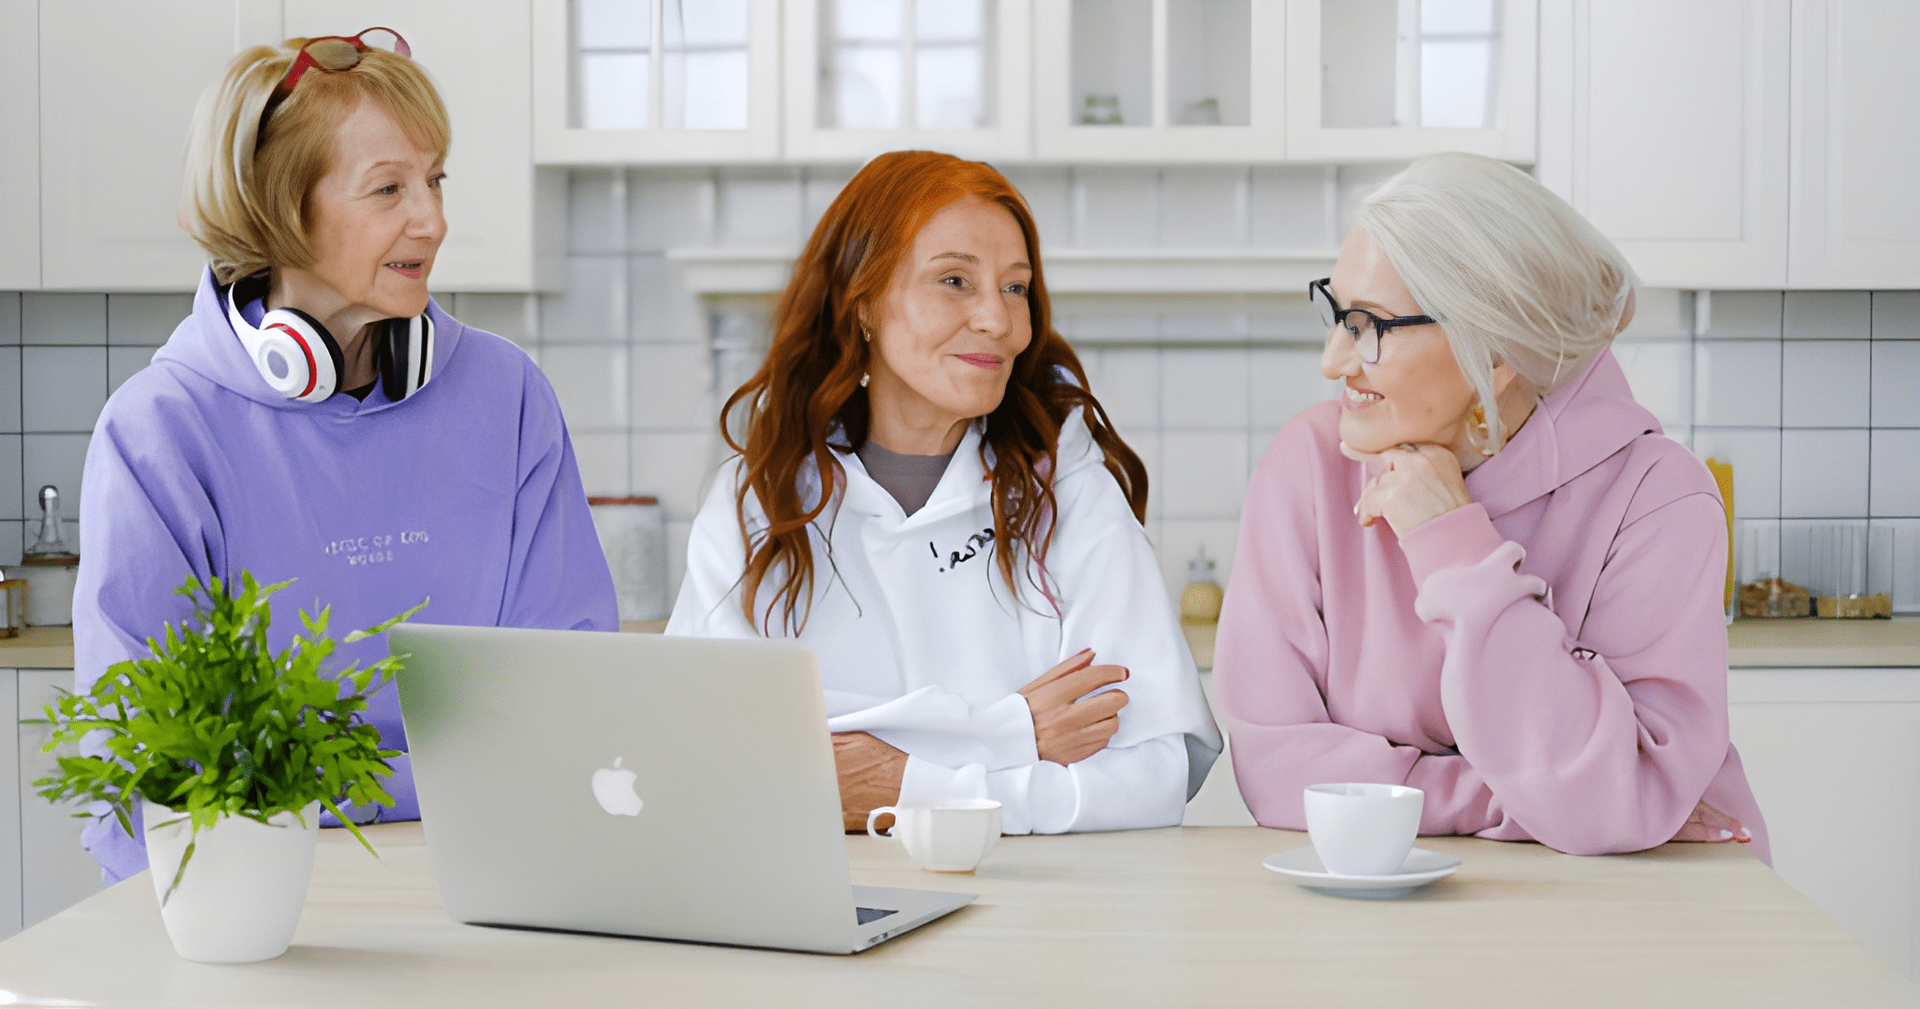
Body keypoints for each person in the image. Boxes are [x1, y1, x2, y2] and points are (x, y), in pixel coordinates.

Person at [72, 29, 617, 881]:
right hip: (249, 891)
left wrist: (319, 792)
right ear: (279, 210)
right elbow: (152, 773)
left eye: (435, 180)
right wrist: (425, 785)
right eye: (388, 188)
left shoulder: (506, 396)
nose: (432, 219)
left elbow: (572, 702)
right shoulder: (159, 433)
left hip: (489, 872)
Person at [1214, 152, 1769, 861]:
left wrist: (1453, 544)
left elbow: (1617, 798)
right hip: (1400, 904)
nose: (1333, 359)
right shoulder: (1313, 467)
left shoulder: (1660, 498)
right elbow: (1275, 768)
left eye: (1368, 325)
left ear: (1495, 353)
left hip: (1644, 908)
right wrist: (1520, 798)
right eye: (1336, 311)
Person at [668, 151, 1221, 835]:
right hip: (817, 911)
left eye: (1015, 288)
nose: (998, 319)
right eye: (955, 280)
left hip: (1039, 922)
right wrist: (1012, 731)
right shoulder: (754, 505)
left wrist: (889, 782)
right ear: (862, 299)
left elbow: (1152, 778)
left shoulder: (1073, 496)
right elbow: (716, 764)